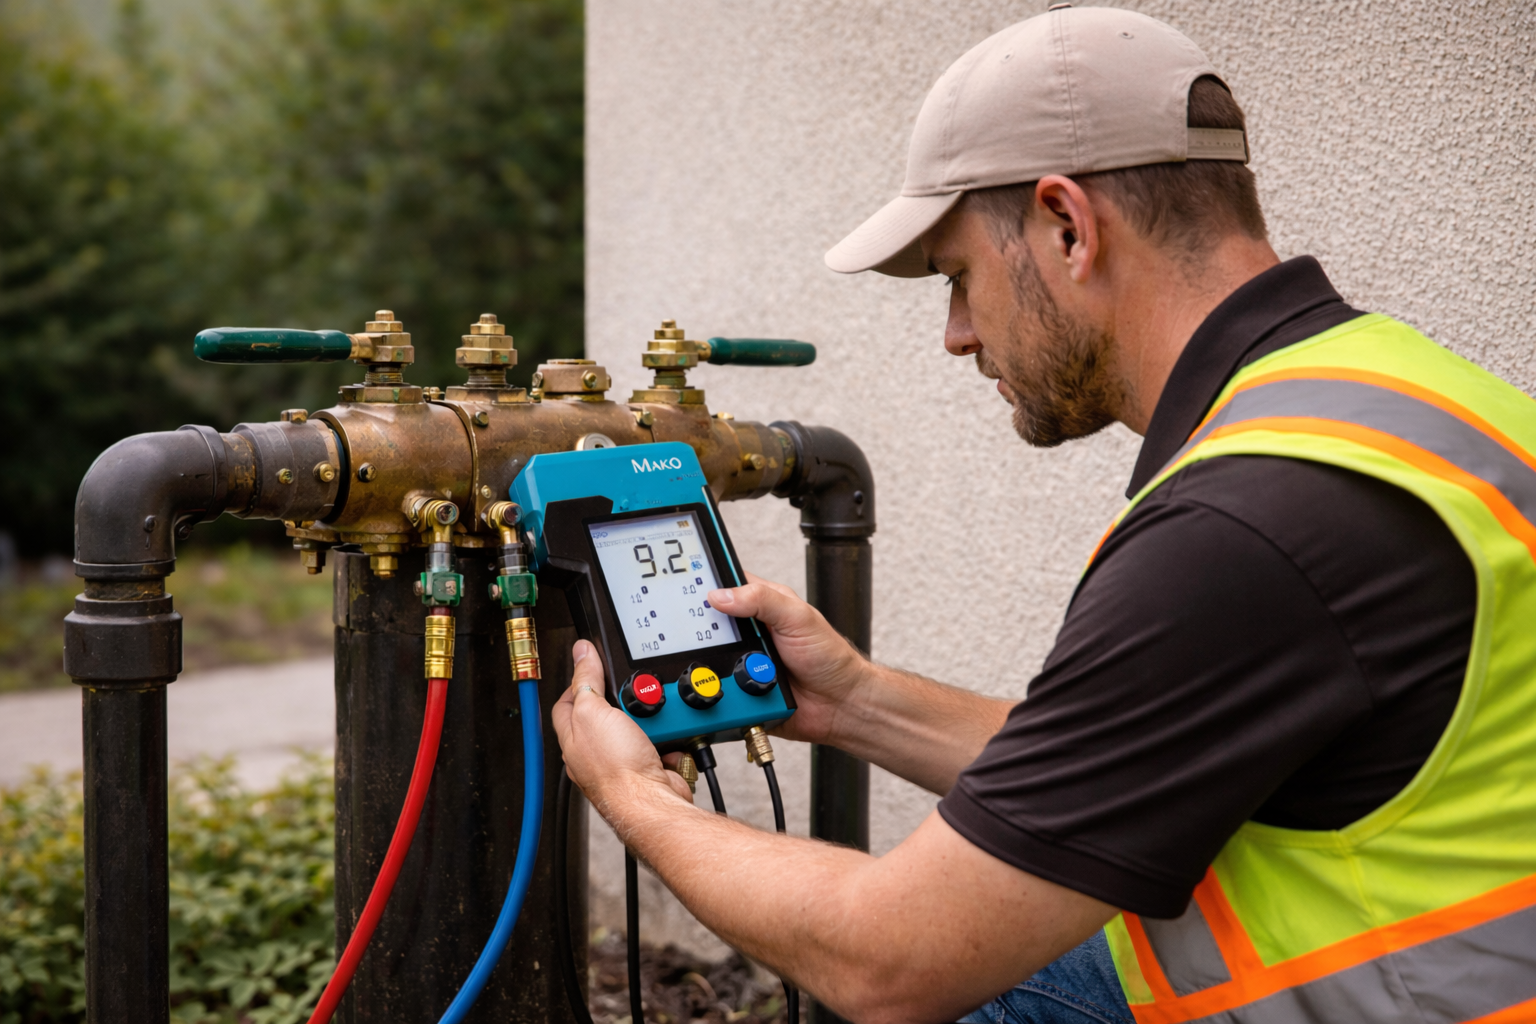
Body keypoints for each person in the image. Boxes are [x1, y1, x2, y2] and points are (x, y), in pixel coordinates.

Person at [554, 6, 1536, 1023]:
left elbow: (890, 963)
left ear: (1068, 225)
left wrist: (633, 796)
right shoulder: (1402, 399)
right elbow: (1117, 758)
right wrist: (854, 702)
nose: (957, 334)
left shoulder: (1244, 534)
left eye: (959, 277)